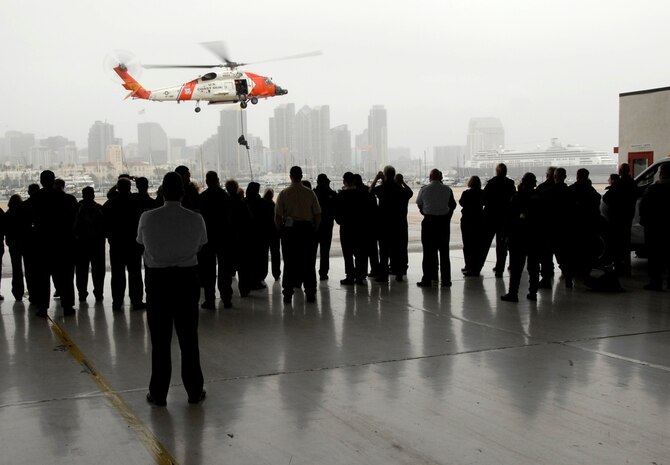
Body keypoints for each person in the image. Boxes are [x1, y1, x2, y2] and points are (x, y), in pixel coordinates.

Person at [137, 171, 208, 406]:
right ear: (184, 191)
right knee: (189, 339)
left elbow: (141, 243)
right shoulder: (195, 218)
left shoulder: (147, 218)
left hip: (158, 281)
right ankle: (194, 391)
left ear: (162, 192)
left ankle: (158, 393)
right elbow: (200, 245)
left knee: (160, 341)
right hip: (186, 279)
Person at [31, 170, 78, 317]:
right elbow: (72, 220)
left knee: (42, 278)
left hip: (43, 242)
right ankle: (68, 305)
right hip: (62, 242)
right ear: (53, 180)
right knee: (65, 277)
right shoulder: (65, 198)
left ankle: (42, 307)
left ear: (41, 181)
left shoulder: (36, 198)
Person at [275, 166, 321, 303]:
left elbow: (277, 216)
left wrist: (281, 231)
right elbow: (318, 214)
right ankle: (310, 292)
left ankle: (288, 293)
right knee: (308, 263)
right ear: (301, 176)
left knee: (289, 262)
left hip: (290, 231)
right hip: (307, 230)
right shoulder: (310, 193)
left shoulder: (284, 193)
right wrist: (314, 229)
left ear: (290, 176)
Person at [103, 177, 145, 311]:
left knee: (117, 275)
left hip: (116, 244)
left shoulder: (110, 204)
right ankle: (137, 300)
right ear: (129, 188)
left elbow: (105, 224)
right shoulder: (136, 203)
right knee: (135, 274)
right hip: (133, 243)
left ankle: (117, 302)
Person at [501, 173, 542, 302]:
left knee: (516, 267)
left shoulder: (517, 198)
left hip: (518, 237)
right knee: (534, 267)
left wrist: (505, 235)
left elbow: (509, 218)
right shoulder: (538, 198)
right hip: (534, 236)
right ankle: (533, 293)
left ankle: (513, 293)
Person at [370, 166, 414, 282]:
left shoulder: (382, 188)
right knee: (398, 250)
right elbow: (410, 192)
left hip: (384, 224)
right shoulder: (400, 189)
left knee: (383, 251)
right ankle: (399, 273)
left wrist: (376, 179)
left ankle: (383, 275)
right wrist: (402, 182)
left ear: (384, 174)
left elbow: (370, 191)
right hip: (399, 224)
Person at [416, 169, 456, 287]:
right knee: (444, 252)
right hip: (443, 223)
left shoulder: (424, 189)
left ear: (430, 177)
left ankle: (428, 278)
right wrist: (447, 216)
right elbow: (452, 205)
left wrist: (425, 213)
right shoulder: (447, 189)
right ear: (441, 177)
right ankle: (446, 280)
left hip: (429, 222)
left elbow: (419, 203)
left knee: (428, 252)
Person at [198, 171, 233, 309]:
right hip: (223, 236)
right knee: (225, 269)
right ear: (218, 180)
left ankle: (210, 300)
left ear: (207, 181)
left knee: (208, 271)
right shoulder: (225, 196)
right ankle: (226, 299)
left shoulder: (202, 197)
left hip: (208, 237)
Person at [481, 163, 516, 278]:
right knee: (502, 246)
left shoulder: (491, 183)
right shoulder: (510, 184)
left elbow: (484, 199)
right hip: (504, 218)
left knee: (485, 243)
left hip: (490, 217)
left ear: (497, 171)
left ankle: (477, 267)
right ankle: (499, 268)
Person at [639, 163, 670, 291]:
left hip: (654, 228)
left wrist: (644, 222)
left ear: (661, 173)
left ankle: (655, 282)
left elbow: (643, 207)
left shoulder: (653, 189)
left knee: (654, 257)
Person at [335, 172, 368, 285]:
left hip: (346, 228)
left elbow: (337, 213)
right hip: (359, 227)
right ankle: (359, 276)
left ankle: (350, 276)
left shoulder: (340, 196)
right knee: (359, 253)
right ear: (354, 181)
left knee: (347, 254)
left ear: (344, 181)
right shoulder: (362, 194)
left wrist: (340, 221)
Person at [74, 186, 105, 302]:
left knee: (81, 271)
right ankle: (98, 292)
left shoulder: (77, 209)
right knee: (98, 271)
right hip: (97, 243)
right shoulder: (99, 208)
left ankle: (82, 293)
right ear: (93, 195)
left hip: (81, 244)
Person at [569, 168, 602, 278]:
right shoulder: (591, 190)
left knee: (575, 250)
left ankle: (576, 271)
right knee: (588, 250)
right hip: (590, 225)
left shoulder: (572, 189)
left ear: (577, 176)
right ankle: (586, 271)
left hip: (575, 225)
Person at [459, 176, 484, 277]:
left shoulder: (466, 193)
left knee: (467, 244)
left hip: (467, 220)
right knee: (477, 244)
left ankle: (468, 265)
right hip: (479, 220)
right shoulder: (483, 193)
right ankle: (476, 266)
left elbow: (461, 203)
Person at [535, 167, 557, 285]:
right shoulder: (564, 189)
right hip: (558, 225)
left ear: (547, 175)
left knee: (545, 253)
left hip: (544, 225)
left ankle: (546, 276)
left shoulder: (542, 188)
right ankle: (567, 276)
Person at [313, 173, 337, 281]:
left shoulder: (313, 193)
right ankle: (323, 273)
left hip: (314, 226)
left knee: (312, 251)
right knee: (325, 251)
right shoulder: (331, 193)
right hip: (327, 225)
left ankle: (310, 272)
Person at [5, 194, 26, 301]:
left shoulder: (8, 214)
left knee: (16, 268)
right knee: (30, 268)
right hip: (24, 243)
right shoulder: (23, 214)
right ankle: (32, 291)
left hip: (13, 244)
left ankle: (17, 292)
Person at [263, 188, 281, 281]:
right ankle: (276, 273)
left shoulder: (261, 205)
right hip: (274, 233)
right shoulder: (274, 206)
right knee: (275, 254)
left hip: (264, 233)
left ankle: (263, 274)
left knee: (264, 254)